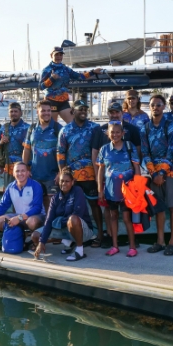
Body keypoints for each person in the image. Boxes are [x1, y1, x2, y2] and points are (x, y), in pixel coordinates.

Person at [93, 101, 143, 248]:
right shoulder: (102, 143)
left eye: (117, 132)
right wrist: (100, 188)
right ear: (108, 134)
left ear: (123, 133)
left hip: (128, 190)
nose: (115, 134)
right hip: (110, 189)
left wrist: (138, 187)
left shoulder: (130, 139)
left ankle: (132, 245)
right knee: (112, 215)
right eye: (112, 132)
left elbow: (137, 162)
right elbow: (99, 165)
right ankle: (113, 243)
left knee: (128, 217)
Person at [57, 100, 104, 242]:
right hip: (73, 177)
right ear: (73, 111)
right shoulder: (65, 130)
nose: (83, 111)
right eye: (80, 109)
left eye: (85, 109)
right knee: (71, 206)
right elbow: (60, 153)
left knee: (94, 206)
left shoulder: (95, 128)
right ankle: (74, 236)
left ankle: (100, 234)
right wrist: (62, 175)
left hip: (91, 175)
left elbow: (101, 152)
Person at [141, 94, 173, 256]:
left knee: (172, 207)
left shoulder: (171, 126)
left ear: (164, 107)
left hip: (169, 173)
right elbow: (145, 152)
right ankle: (160, 241)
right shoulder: (145, 128)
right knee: (158, 209)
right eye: (153, 105)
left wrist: (162, 172)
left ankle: (172, 242)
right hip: (154, 174)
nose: (155, 107)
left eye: (158, 105)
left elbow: (172, 150)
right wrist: (154, 173)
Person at [33, 167, 95, 261]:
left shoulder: (77, 191)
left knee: (73, 219)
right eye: (62, 181)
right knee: (36, 236)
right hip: (64, 228)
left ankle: (79, 250)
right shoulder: (55, 198)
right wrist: (42, 242)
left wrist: (61, 222)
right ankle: (67, 242)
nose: (64, 184)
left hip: (83, 231)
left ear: (72, 182)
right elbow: (49, 220)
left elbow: (78, 213)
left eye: (67, 181)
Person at [0, 162, 45, 248]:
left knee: (31, 222)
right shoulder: (10, 187)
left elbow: (37, 208)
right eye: (17, 171)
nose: (20, 173)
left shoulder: (36, 186)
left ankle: (34, 241)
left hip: (36, 216)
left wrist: (19, 218)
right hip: (18, 216)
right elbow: (3, 206)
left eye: (23, 171)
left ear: (28, 173)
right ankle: (18, 236)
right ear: (13, 173)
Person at [39, 47, 103, 123]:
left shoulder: (66, 69)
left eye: (60, 55)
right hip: (51, 101)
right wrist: (52, 79)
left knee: (73, 124)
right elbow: (41, 86)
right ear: (51, 55)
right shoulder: (47, 70)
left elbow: (79, 76)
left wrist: (93, 72)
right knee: (52, 127)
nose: (59, 57)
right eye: (56, 55)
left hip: (63, 100)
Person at [22, 100, 63, 210]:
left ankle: (52, 226)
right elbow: (26, 150)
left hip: (52, 175)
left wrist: (61, 172)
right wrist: (25, 169)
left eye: (48, 111)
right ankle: (43, 225)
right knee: (39, 203)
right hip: (35, 174)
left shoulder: (58, 129)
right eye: (43, 110)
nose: (46, 113)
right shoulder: (32, 129)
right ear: (37, 112)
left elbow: (64, 152)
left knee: (53, 204)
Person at [0, 102, 30, 183]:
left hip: (23, 165)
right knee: (9, 190)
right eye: (11, 111)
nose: (13, 113)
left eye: (16, 111)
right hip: (7, 165)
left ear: (21, 113)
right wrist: (1, 142)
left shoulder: (28, 128)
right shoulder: (4, 127)